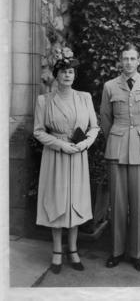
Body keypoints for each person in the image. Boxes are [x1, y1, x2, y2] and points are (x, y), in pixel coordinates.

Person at [33, 47, 99, 274]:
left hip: (78, 155)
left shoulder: (84, 98)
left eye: (70, 72)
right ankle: (56, 252)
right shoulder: (45, 100)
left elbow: (95, 127)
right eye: (63, 72)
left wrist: (85, 144)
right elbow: (39, 131)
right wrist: (61, 144)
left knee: (75, 202)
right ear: (56, 74)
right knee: (57, 202)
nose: (67, 75)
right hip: (56, 156)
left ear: (74, 75)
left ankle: (73, 249)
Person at [100, 43, 140, 271]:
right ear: (120, 61)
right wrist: (116, 137)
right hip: (116, 148)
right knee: (117, 203)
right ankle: (116, 251)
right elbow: (105, 117)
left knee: (136, 203)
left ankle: (135, 253)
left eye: (132, 58)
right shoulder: (109, 86)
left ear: (139, 61)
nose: (128, 62)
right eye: (124, 58)